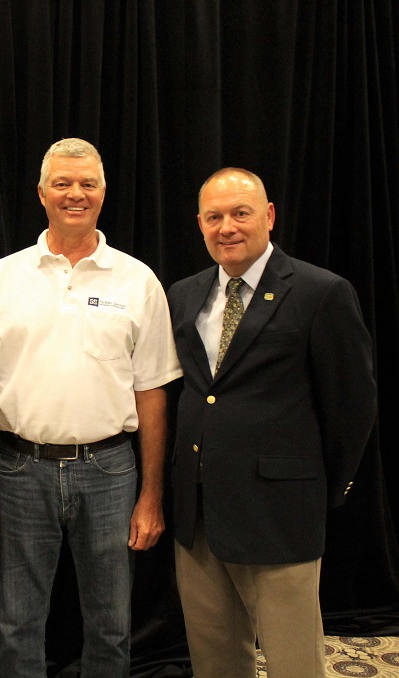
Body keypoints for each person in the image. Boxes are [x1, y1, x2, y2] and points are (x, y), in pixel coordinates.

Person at [0, 138, 182, 677]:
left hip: (110, 470)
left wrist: (151, 495)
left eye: (87, 184)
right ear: (42, 193)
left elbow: (152, 392)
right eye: (62, 183)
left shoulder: (138, 280)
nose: (75, 194)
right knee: (16, 624)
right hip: (18, 469)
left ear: (103, 194)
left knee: (110, 625)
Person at [167, 168, 377, 677]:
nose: (228, 227)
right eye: (214, 217)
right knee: (215, 661)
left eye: (241, 213)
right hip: (198, 512)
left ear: (269, 216)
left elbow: (352, 404)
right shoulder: (183, 295)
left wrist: (317, 484)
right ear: (199, 224)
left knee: (294, 664)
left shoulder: (320, 291)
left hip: (281, 512)